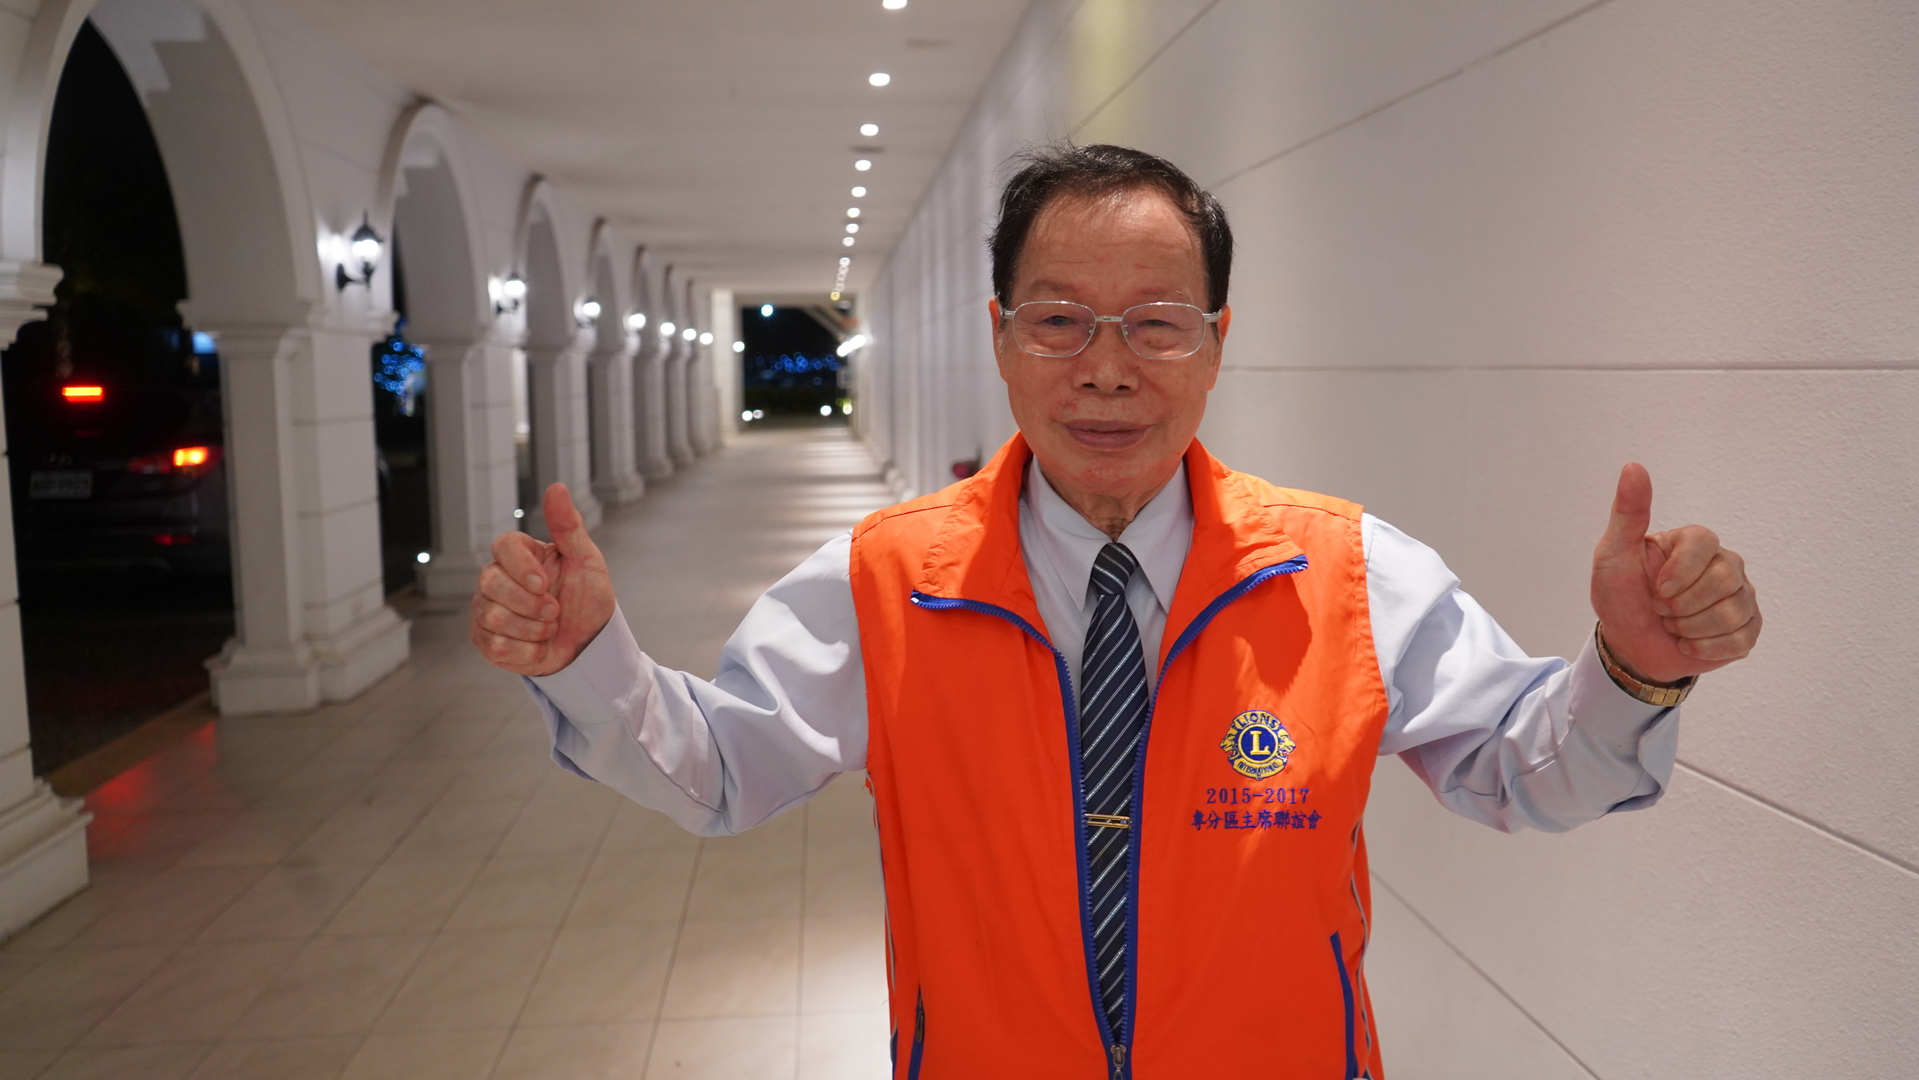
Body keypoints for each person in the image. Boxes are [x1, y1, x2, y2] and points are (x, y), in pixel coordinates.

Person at [470, 145, 1760, 1079]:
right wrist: (592, 660)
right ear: (999, 336)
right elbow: (719, 767)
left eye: (1155, 324)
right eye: (1059, 322)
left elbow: (1525, 771)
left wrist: (1631, 672)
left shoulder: (1346, 573)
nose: (1105, 369)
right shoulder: (888, 579)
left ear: (1217, 341)